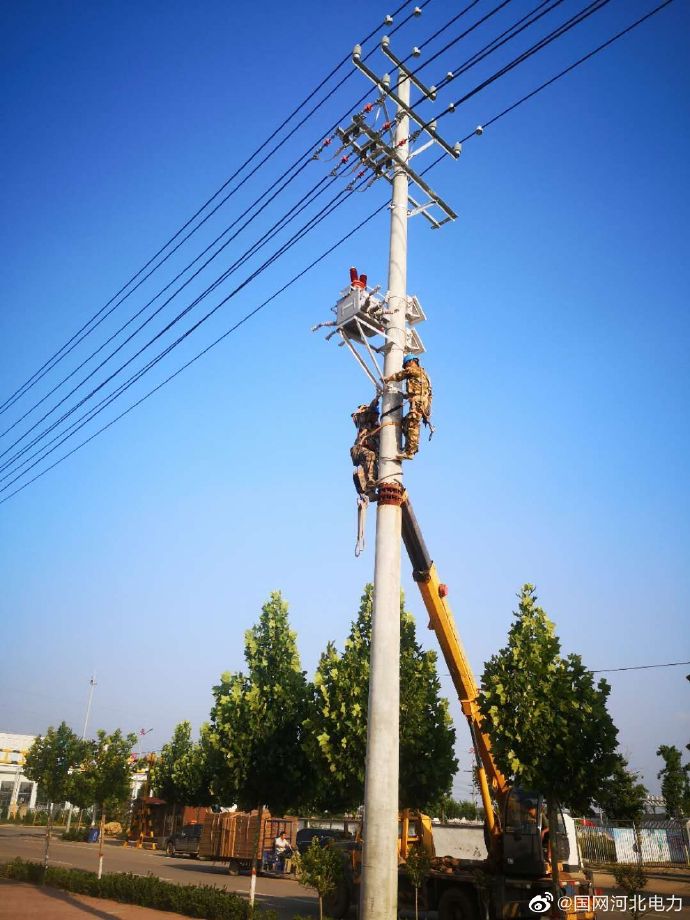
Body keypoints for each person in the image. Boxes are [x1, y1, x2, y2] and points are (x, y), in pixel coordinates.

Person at [383, 354, 432, 459]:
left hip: (418, 403)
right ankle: (409, 448)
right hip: (421, 403)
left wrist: (388, 378)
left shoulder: (414, 370)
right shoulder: (423, 374)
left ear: (411, 362)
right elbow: (425, 392)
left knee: (412, 423)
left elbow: (403, 374)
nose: (406, 367)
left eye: (406, 365)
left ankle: (410, 452)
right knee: (405, 423)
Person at [351, 398, 380, 492]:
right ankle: (370, 480)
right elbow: (372, 407)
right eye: (374, 414)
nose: (375, 416)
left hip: (369, 454)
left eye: (376, 415)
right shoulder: (365, 422)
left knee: (376, 470)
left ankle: (370, 490)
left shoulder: (378, 428)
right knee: (370, 455)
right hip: (359, 449)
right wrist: (377, 398)